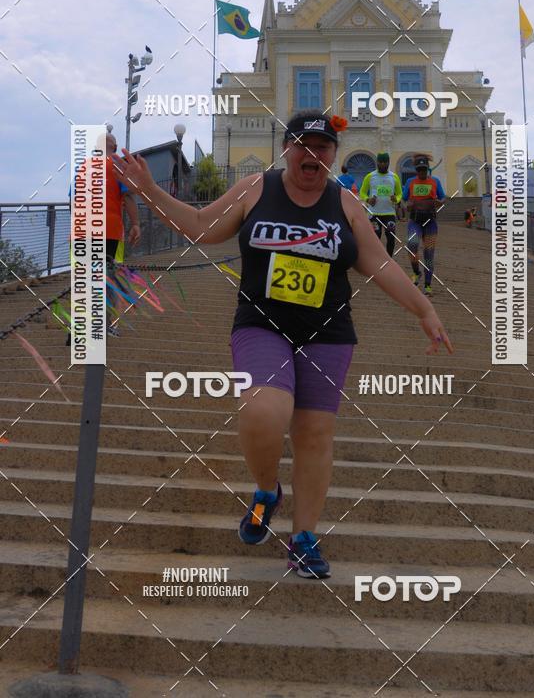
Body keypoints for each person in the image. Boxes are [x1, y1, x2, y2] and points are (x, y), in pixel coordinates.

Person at [113, 111, 453, 579]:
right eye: (303, 145)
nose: (313, 154)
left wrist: (425, 310)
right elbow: (197, 225)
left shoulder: (347, 203)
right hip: (261, 324)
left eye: (324, 146)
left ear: (333, 154)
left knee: (314, 436)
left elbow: (380, 265)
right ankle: (268, 490)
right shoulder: (256, 188)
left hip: (328, 331)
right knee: (263, 410)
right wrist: (148, 189)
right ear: (287, 148)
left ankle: (303, 538)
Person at [67, 132, 141, 344]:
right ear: (114, 148)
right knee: (108, 279)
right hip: (108, 231)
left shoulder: (82, 167)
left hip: (80, 232)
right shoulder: (116, 167)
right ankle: (106, 327)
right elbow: (127, 198)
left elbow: (73, 201)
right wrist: (135, 224)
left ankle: (77, 329)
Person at [403, 154, 445, 296]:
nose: (422, 172)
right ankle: (416, 272)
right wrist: (406, 205)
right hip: (415, 221)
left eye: (424, 169)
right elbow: (403, 199)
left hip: (430, 222)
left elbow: (443, 197)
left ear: (427, 169)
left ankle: (427, 285)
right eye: (419, 169)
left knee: (428, 254)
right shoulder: (410, 182)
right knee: (412, 246)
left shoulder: (435, 182)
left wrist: (441, 202)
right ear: (416, 170)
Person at [359, 153, 402, 257]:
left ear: (388, 162)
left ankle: (389, 260)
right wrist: (368, 199)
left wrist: (396, 199)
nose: (382, 164)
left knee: (391, 237)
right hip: (374, 214)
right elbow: (362, 192)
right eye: (380, 162)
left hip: (389, 213)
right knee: (375, 238)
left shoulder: (394, 176)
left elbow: (400, 193)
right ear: (377, 162)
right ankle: (375, 260)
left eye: (385, 162)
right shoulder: (370, 176)